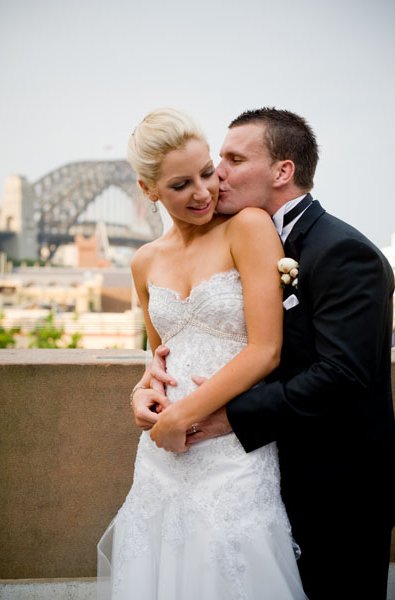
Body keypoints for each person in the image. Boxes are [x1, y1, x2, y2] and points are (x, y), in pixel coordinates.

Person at [132, 108, 395, 600]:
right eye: (216, 162)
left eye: (228, 162)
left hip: (333, 487)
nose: (217, 178)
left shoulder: (343, 250)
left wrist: (225, 417)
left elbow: (341, 373)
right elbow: (168, 346)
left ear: (282, 171)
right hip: (251, 467)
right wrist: (146, 386)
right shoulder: (229, 235)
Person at [97, 107, 307, 599]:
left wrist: (181, 417)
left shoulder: (248, 228)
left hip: (231, 449)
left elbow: (266, 350)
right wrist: (141, 393)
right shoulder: (144, 261)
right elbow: (159, 355)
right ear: (149, 190)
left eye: (207, 172)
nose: (202, 192)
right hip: (161, 460)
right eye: (179, 185)